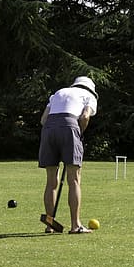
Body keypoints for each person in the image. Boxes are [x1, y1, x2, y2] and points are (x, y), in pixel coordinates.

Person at [38, 76, 98, 233]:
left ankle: (49, 225)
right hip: (70, 127)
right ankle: (75, 225)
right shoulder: (89, 96)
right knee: (74, 180)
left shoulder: (58, 93)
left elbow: (43, 120)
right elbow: (85, 117)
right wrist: (78, 133)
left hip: (49, 129)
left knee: (51, 181)